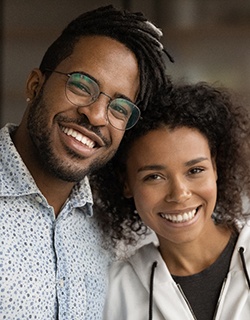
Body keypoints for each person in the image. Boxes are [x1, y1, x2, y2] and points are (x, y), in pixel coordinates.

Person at [0, 5, 173, 319]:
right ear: (34, 85)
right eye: (81, 86)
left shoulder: (116, 228)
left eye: (119, 108)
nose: (95, 115)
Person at [90, 82, 250, 320]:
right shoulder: (115, 291)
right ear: (126, 184)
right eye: (154, 177)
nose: (179, 194)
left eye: (195, 170)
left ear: (215, 167)